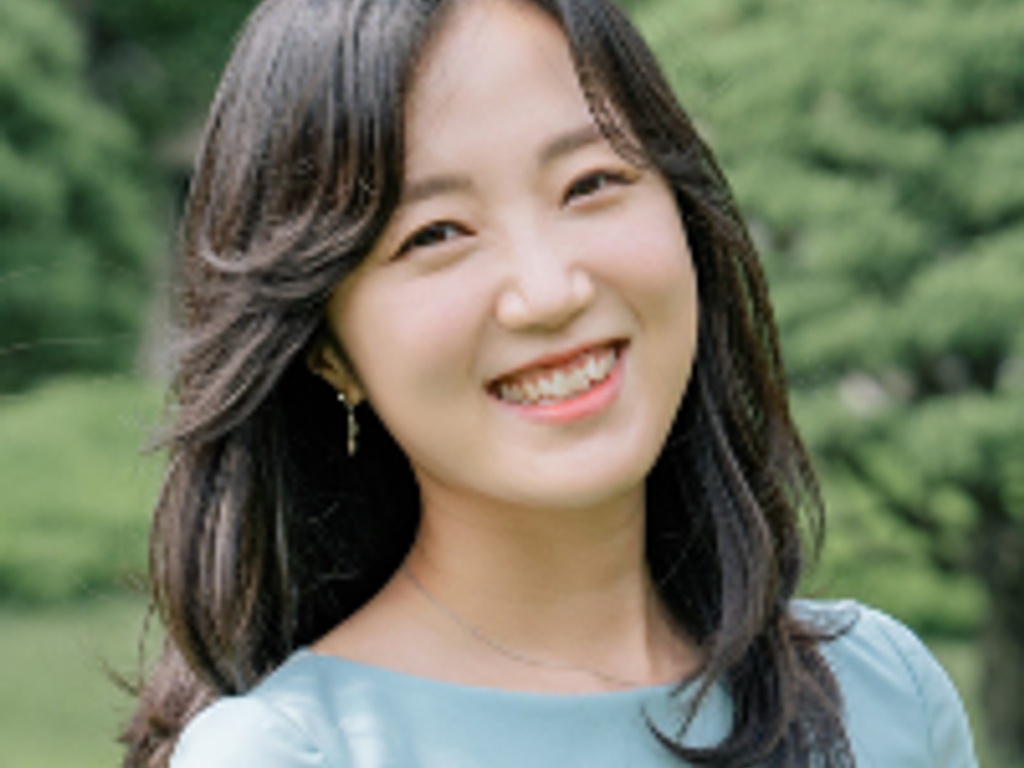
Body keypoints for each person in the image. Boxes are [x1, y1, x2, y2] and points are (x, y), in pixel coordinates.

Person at [121, 0, 978, 766]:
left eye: (591, 183)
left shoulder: (883, 695)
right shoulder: (295, 755)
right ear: (327, 346)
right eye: (436, 233)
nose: (549, 291)